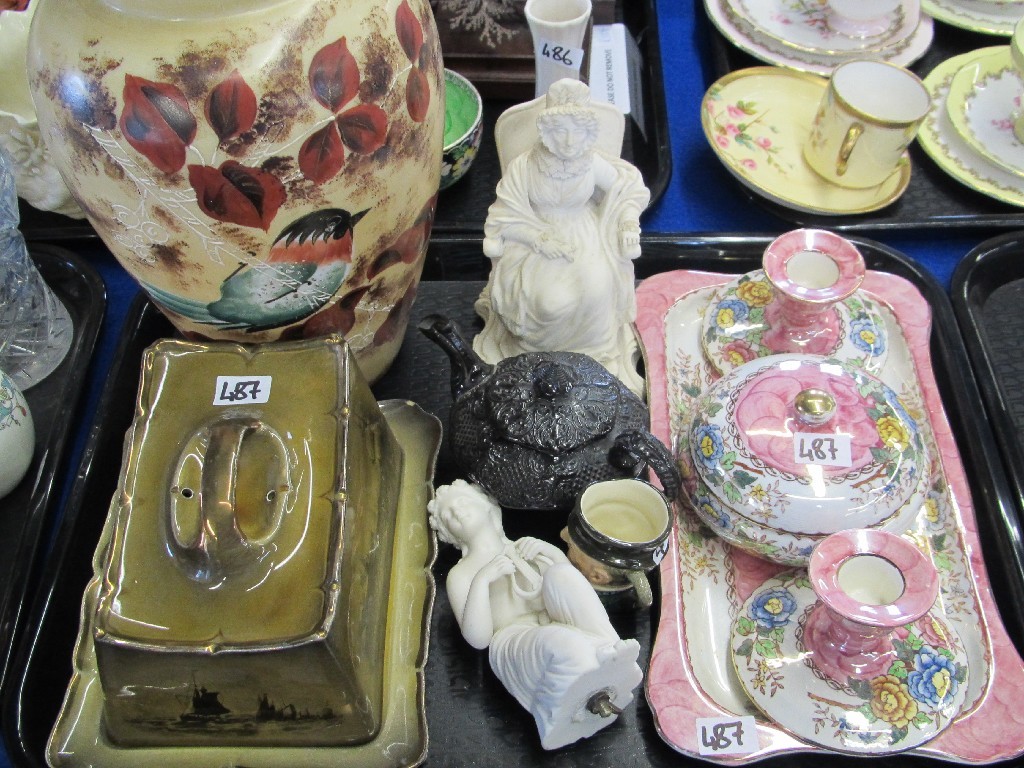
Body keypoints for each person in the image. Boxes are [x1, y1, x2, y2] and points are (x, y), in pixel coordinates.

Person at [427, 479, 643, 750]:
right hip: (512, 637)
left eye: (463, 503)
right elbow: (478, 640)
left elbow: (571, 589)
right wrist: (483, 580)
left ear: (489, 509)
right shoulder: (462, 574)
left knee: (562, 574)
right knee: (561, 643)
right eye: (449, 515)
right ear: (450, 534)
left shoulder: (523, 546)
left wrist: (550, 553)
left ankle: (610, 649)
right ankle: (558, 706)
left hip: (550, 616)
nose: (457, 512)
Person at [473, 80, 650, 397]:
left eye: (577, 131)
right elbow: (505, 216)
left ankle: (595, 363)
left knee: (597, 291)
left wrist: (626, 223)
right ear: (547, 129)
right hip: (535, 240)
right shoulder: (525, 167)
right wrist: (540, 240)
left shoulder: (590, 163)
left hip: (585, 234)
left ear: (587, 133)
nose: (569, 141)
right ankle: (538, 365)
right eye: (561, 130)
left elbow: (625, 191)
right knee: (551, 302)